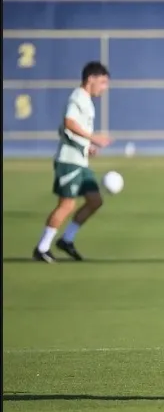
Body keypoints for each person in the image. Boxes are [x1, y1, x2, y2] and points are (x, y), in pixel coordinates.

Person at [32, 61, 112, 263]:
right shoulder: (78, 97)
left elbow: (72, 130)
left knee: (95, 200)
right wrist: (93, 138)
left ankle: (66, 240)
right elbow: (69, 122)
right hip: (69, 162)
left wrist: (87, 146)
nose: (105, 88)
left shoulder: (87, 101)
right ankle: (42, 248)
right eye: (102, 82)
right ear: (90, 79)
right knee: (66, 205)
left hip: (80, 161)